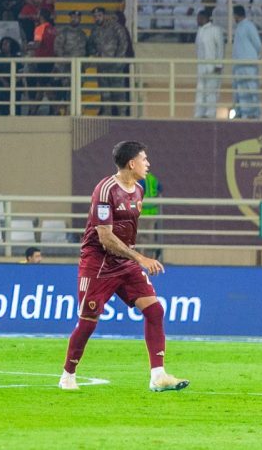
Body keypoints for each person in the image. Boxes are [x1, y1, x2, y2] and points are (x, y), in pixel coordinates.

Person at [61, 138, 188, 393]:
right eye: (144, 159)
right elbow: (105, 238)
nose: (147, 164)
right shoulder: (105, 190)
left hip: (124, 263)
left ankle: (158, 376)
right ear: (131, 163)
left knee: (155, 310)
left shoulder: (139, 189)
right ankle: (67, 375)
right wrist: (141, 258)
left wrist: (133, 259)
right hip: (98, 264)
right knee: (88, 320)